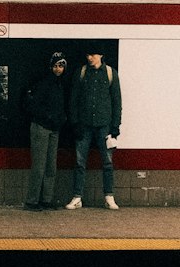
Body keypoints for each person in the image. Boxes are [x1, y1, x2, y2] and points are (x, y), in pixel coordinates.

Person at [66, 45, 122, 210]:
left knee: (107, 163)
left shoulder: (111, 73)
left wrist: (115, 126)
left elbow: (117, 101)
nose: (89, 58)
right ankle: (77, 197)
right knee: (79, 162)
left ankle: (109, 196)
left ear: (101, 55)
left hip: (104, 125)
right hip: (84, 124)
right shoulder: (81, 73)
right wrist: (75, 122)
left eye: (93, 54)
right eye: (88, 54)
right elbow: (73, 100)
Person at [22, 51, 67, 210]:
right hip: (41, 127)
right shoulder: (45, 83)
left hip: (53, 129)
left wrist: (59, 120)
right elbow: (34, 106)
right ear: (50, 67)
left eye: (61, 66)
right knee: (40, 166)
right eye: (55, 66)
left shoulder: (59, 84)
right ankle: (32, 201)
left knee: (50, 166)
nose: (58, 69)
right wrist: (51, 118)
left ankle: (46, 200)